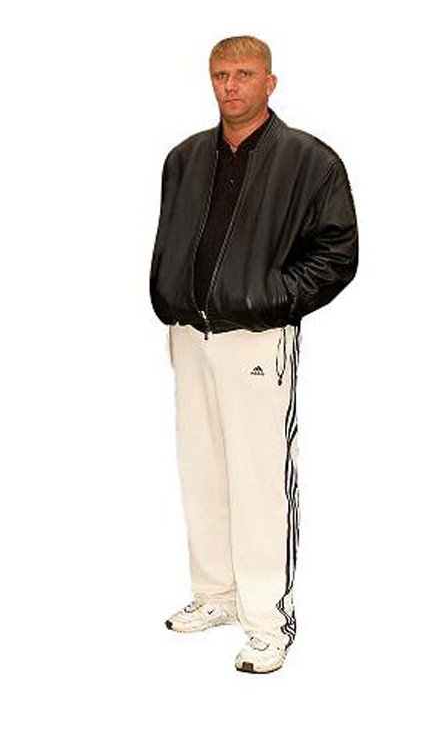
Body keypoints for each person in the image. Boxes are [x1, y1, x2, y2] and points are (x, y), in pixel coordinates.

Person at [149, 35, 358, 673]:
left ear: (270, 82)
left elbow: (337, 252)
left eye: (244, 74)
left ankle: (267, 620)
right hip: (190, 335)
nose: (230, 85)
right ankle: (216, 594)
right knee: (202, 468)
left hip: (257, 339)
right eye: (220, 74)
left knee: (260, 476)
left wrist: (270, 298)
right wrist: (170, 296)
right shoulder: (185, 158)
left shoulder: (309, 161)